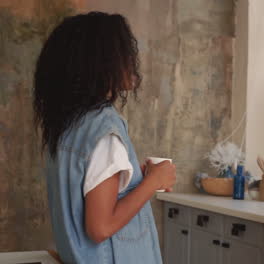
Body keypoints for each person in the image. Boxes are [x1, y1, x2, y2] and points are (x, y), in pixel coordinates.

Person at [33, 12, 176, 263]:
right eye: (123, 51)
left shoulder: (68, 127)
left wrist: (136, 180)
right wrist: (154, 182)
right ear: (99, 62)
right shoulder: (103, 129)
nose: (132, 60)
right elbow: (100, 228)